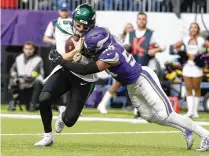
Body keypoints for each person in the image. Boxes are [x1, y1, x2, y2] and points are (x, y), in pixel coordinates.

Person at [50, 27, 209, 152]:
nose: (89, 51)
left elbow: (87, 69)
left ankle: (205, 135)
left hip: (143, 78)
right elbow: (90, 48)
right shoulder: (108, 39)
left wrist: (63, 61)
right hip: (132, 85)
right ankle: (185, 128)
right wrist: (78, 51)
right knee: (149, 116)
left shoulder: (110, 54)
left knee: (166, 114)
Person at [34, 4, 98, 147]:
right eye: (78, 25)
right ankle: (48, 136)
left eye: (85, 27)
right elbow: (64, 57)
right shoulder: (62, 25)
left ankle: (63, 114)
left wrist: (81, 54)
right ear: (73, 19)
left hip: (85, 76)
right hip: (66, 69)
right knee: (44, 98)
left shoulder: (98, 35)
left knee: (69, 121)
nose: (81, 29)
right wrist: (77, 50)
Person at [173, 22, 209, 118]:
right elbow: (175, 46)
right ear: (189, 29)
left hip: (197, 66)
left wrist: (204, 56)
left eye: (195, 28)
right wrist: (182, 52)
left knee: (196, 87)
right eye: (191, 27)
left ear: (198, 29)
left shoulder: (201, 40)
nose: (193, 29)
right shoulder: (186, 39)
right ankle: (190, 111)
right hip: (187, 66)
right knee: (188, 87)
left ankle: (195, 111)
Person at [9, 42, 44, 111]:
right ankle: (13, 103)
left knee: (38, 82)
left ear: (33, 49)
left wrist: (24, 80)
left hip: (33, 83)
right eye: (26, 49)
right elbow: (12, 70)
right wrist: (15, 76)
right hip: (21, 81)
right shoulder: (18, 58)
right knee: (12, 81)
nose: (28, 51)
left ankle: (33, 105)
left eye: (30, 49)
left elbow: (35, 74)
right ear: (23, 49)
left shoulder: (38, 59)